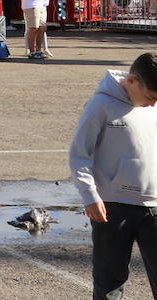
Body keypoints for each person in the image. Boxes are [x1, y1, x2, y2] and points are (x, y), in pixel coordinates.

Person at [70, 52, 157, 300]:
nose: (152, 104)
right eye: (150, 97)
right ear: (131, 81)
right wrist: (90, 196)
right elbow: (79, 155)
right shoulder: (100, 105)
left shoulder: (153, 105)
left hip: (154, 206)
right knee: (110, 281)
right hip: (112, 208)